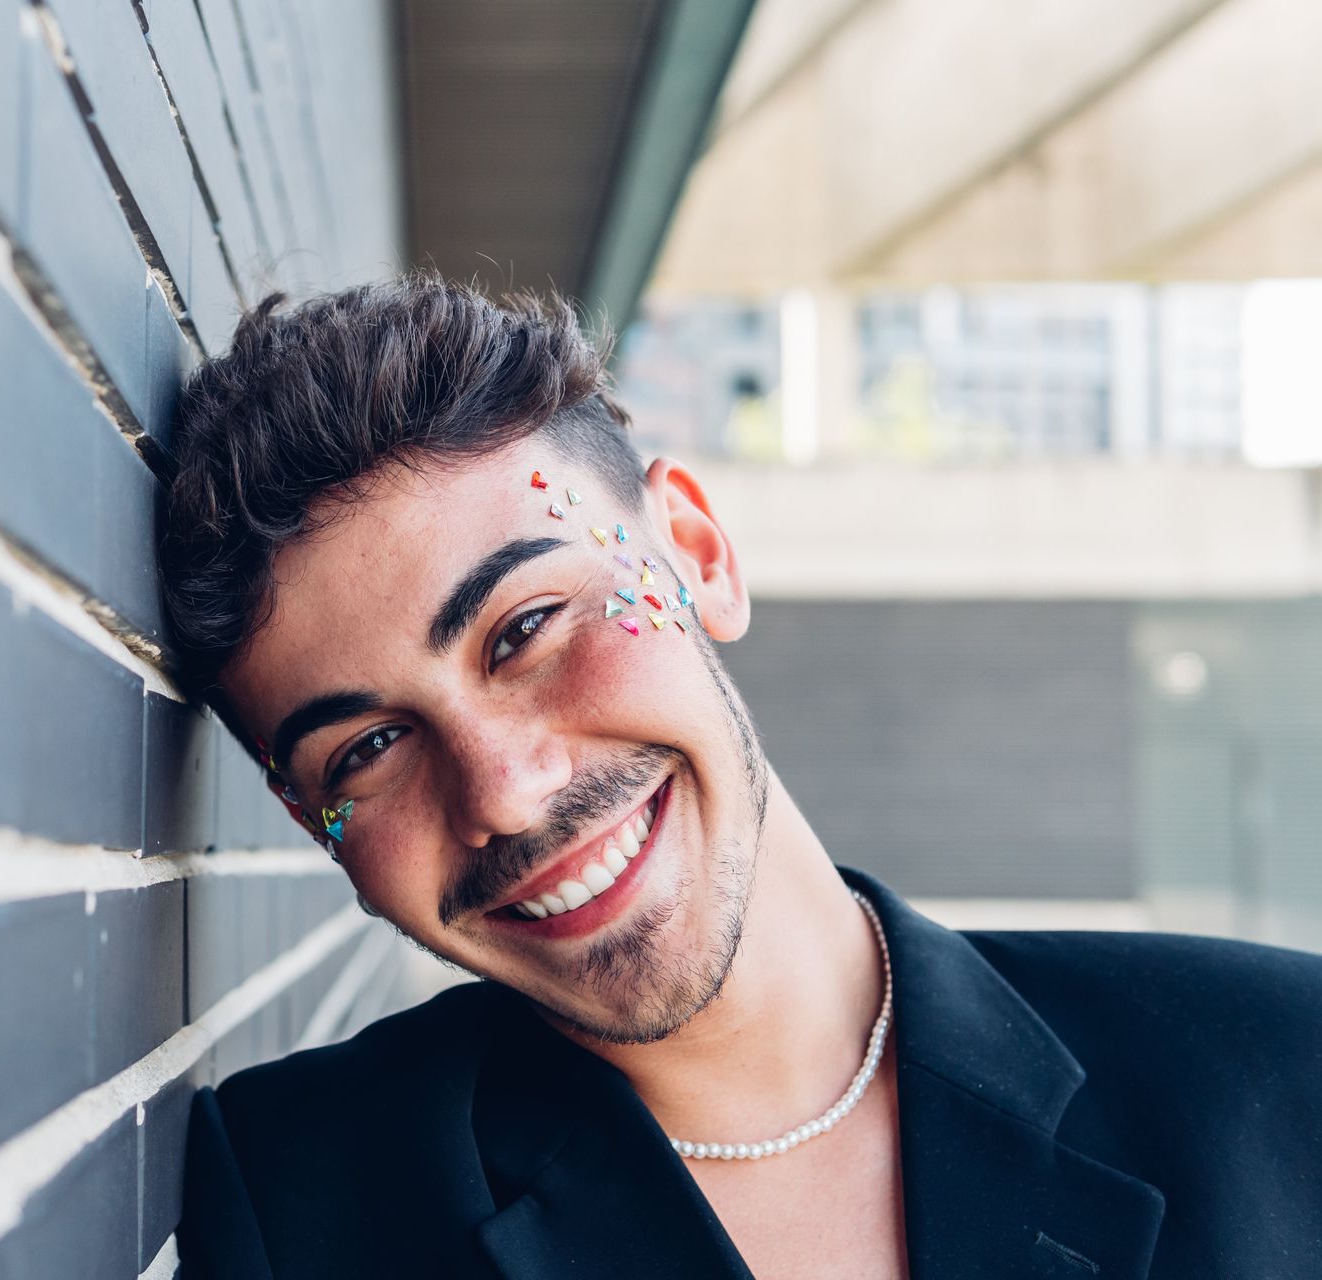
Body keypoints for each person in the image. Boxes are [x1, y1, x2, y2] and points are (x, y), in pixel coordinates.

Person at [157, 274, 1322, 1279]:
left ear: (699, 555)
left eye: (527, 628)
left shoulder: (1281, 1067)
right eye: (366, 748)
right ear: (308, 817)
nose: (504, 792)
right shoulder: (297, 1208)